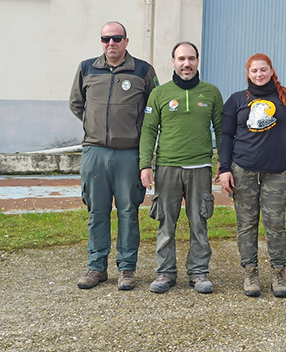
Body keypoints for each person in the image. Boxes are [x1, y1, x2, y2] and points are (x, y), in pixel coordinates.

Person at [69, 21, 158, 290]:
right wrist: (95, 126)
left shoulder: (143, 70)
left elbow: (153, 109)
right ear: (101, 42)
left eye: (117, 38)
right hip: (94, 151)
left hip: (128, 154)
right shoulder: (87, 68)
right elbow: (76, 103)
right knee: (96, 210)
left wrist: (137, 136)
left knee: (128, 211)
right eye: (106, 39)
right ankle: (96, 267)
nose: (111, 44)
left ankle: (127, 268)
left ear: (126, 41)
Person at [139, 42, 223, 295]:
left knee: (199, 222)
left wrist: (223, 162)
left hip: (200, 168)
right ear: (173, 62)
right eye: (181, 59)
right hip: (167, 167)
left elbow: (221, 130)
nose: (186, 64)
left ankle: (198, 273)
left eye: (191, 58)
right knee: (166, 223)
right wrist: (146, 165)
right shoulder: (160, 93)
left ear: (197, 61)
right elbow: (149, 130)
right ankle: (165, 273)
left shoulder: (212, 93)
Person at [218, 54, 286, 298]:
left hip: (276, 171)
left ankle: (278, 272)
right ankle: (250, 272)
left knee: (275, 224)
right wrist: (224, 168)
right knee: (246, 224)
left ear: (271, 70)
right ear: (248, 73)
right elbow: (225, 137)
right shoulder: (236, 100)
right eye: (254, 71)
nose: (259, 74)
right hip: (243, 169)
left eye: (263, 70)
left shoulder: (285, 99)